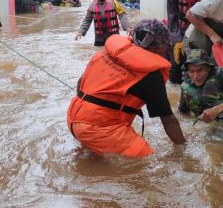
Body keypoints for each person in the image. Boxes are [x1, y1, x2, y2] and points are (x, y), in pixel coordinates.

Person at [67, 19, 186, 158]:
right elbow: (168, 120)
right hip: (95, 129)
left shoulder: (107, 52)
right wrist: (184, 150)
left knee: (93, 158)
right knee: (146, 158)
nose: (168, 48)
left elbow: (81, 82)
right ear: (157, 48)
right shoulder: (151, 75)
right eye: (167, 44)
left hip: (73, 118)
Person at [167, 0, 219, 83]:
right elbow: (172, 19)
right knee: (176, 67)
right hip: (183, 29)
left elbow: (219, 10)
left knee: (207, 64)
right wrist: (177, 41)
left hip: (204, 30)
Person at [178, 49, 223, 122]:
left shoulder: (221, 75)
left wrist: (216, 110)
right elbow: (183, 112)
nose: (195, 76)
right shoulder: (185, 86)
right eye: (191, 71)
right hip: (207, 128)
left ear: (209, 68)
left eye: (199, 71)